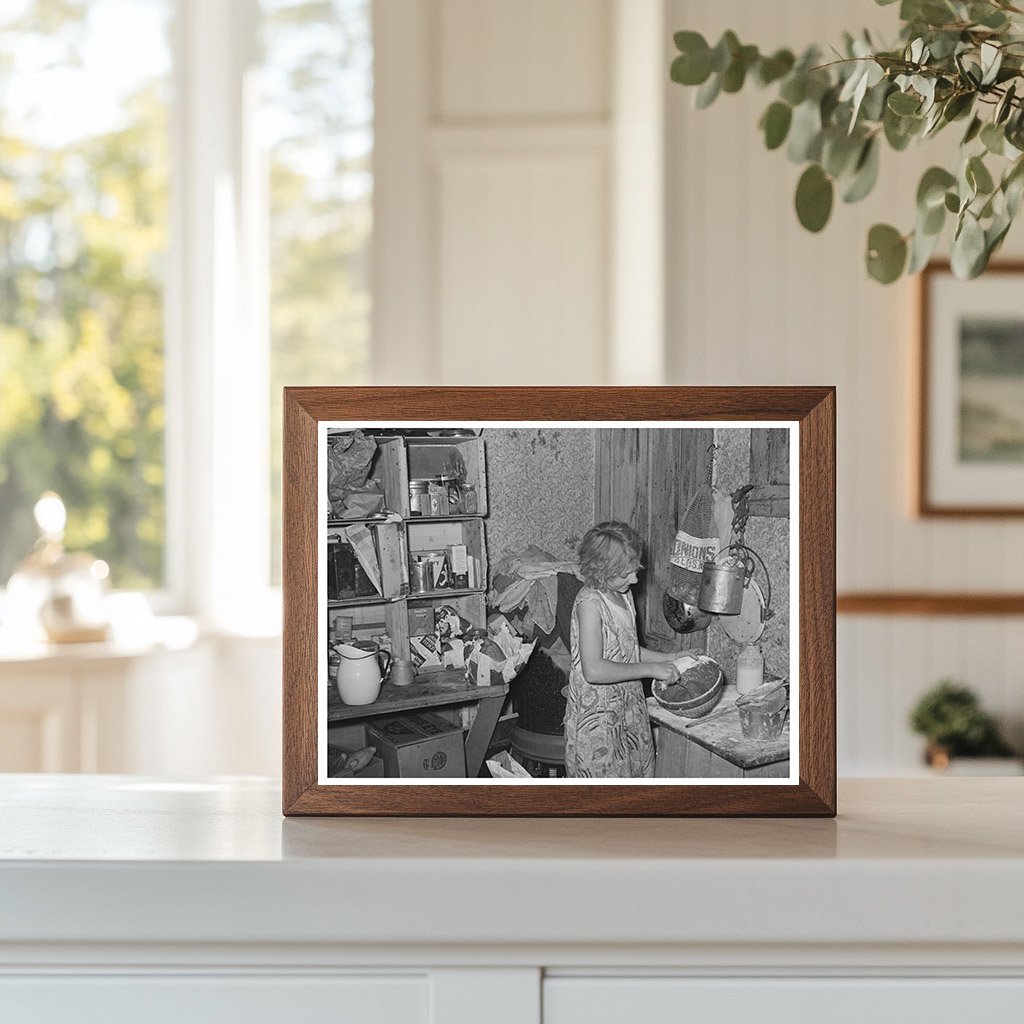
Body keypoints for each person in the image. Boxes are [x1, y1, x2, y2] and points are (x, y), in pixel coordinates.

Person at [564, 521, 680, 778]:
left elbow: (627, 650)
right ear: (601, 571)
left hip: (628, 707)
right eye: (626, 573)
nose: (635, 578)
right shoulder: (590, 605)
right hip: (599, 719)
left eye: (635, 569)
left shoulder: (623, 594)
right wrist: (651, 670)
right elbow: (593, 670)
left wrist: (671, 659)